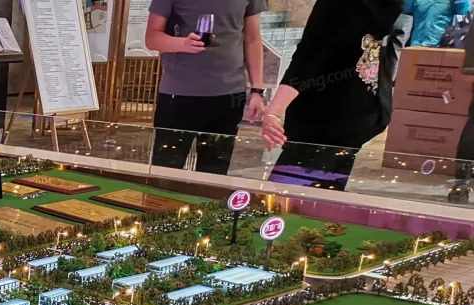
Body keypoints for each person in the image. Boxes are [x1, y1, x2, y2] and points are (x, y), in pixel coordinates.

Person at [261, 0, 406, 190]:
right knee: (326, 193)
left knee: (285, 196)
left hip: (323, 117)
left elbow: (308, 57)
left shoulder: (337, 4)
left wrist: (273, 112)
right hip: (361, 110)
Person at [145, 0, 268, 175]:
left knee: (214, 174)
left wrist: (257, 90)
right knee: (166, 173)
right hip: (178, 96)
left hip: (229, 96)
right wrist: (183, 44)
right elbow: (152, 38)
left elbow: (253, 39)